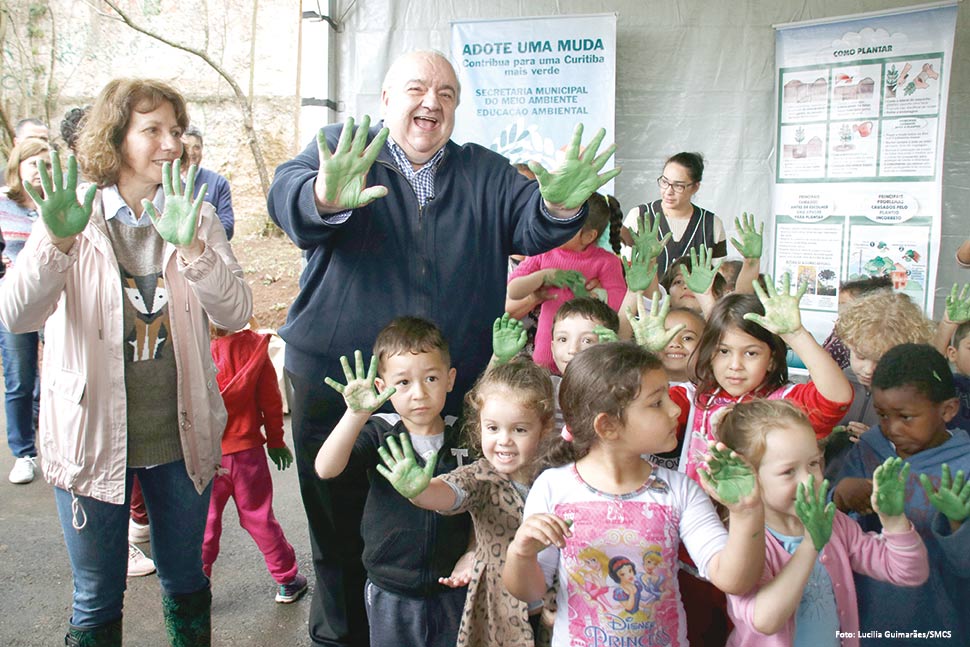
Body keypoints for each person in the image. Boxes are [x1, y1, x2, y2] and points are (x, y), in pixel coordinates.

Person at [267, 48, 617, 647]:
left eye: (447, 93)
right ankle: (339, 636)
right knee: (335, 523)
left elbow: (533, 223)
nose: (432, 102)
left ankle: (426, 629)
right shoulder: (342, 146)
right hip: (340, 379)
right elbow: (289, 200)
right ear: (385, 101)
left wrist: (559, 206)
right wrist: (325, 194)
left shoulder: (484, 170)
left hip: (446, 384)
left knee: (437, 516)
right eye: (416, 89)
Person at [0, 78, 252, 645]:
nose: (171, 143)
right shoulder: (73, 216)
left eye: (176, 130)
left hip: (180, 439)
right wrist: (54, 243)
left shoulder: (197, 214)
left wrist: (192, 247)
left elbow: (236, 313)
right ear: (115, 138)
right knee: (95, 595)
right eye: (153, 130)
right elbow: (16, 315)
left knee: (186, 578)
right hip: (90, 439)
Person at [502, 342, 765, 646]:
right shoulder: (553, 487)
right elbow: (530, 591)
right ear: (608, 425)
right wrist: (521, 552)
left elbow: (733, 579)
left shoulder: (678, 491)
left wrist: (747, 512)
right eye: (657, 403)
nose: (676, 408)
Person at [315, 317, 472, 647]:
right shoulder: (380, 433)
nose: (419, 394)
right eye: (402, 383)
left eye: (431, 377)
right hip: (391, 590)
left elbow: (482, 504)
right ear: (381, 387)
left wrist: (474, 551)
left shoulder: (465, 435)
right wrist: (356, 414)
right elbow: (326, 468)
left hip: (455, 588)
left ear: (450, 379)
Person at [719, 400, 929, 647]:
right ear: (748, 476)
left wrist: (893, 520)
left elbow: (909, 572)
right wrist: (811, 544)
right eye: (788, 471)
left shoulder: (835, 524)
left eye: (813, 463)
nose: (809, 480)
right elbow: (765, 620)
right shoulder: (743, 543)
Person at [377, 359, 555, 647]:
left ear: (544, 427)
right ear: (480, 426)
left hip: (553, 607)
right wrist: (420, 491)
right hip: (499, 618)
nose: (504, 441)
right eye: (493, 428)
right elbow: (448, 493)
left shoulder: (558, 476)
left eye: (519, 430)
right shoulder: (480, 475)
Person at [832, 344, 970, 646]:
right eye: (882, 415)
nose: (891, 428)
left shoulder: (964, 466)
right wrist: (840, 496)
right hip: (864, 615)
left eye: (906, 417)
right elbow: (833, 530)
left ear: (947, 410)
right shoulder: (870, 446)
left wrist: (959, 522)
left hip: (935, 622)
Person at [204, 322, 308, 603]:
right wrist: (275, 440)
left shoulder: (194, 348)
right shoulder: (254, 349)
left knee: (205, 522)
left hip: (206, 456)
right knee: (259, 517)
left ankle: (197, 588)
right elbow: (271, 402)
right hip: (248, 453)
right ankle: (287, 579)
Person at [507, 193, 625, 373]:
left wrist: (595, 297)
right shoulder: (543, 252)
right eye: (558, 223)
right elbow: (514, 290)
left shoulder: (606, 261)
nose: (556, 230)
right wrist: (544, 276)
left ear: (589, 236)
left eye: (567, 227)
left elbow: (620, 304)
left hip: (588, 353)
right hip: (546, 352)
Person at [0, 137, 46, 484]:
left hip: (54, 303)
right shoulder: (4, 204)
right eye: (33, 164)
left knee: (68, 371)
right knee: (20, 379)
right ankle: (23, 453)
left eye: (47, 164)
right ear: (18, 168)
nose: (40, 172)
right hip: (14, 303)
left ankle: (63, 445)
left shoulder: (60, 203)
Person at [621, 152, 726, 276]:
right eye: (665, 182)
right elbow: (621, 269)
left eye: (678, 186)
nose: (668, 191)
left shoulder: (711, 224)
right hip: (645, 295)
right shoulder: (639, 216)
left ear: (695, 187)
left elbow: (719, 277)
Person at [822, 276, 893, 369]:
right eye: (840, 306)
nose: (841, 311)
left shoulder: (858, 340)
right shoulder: (840, 329)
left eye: (846, 306)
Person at [182, 126, 235, 239]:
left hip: (210, 251)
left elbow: (227, 225)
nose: (191, 152)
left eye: (196, 147)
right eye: (186, 147)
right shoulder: (164, 183)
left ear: (202, 150)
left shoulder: (218, 183)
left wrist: (199, 242)